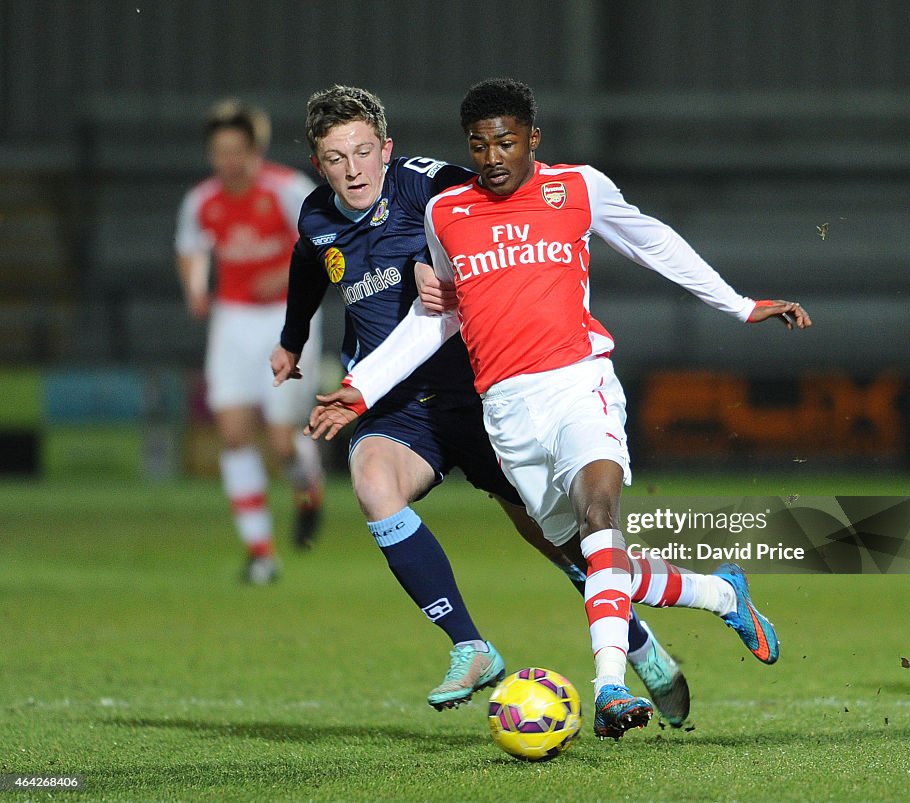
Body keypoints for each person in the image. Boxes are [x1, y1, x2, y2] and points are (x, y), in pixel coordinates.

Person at [308, 78, 813, 739]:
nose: (492, 157)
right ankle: (723, 593)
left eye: (506, 142)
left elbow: (653, 241)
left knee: (600, 513)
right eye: (480, 145)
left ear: (532, 140)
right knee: (596, 559)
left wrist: (741, 305)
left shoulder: (576, 188)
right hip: (508, 413)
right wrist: (364, 386)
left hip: (580, 384)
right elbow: (443, 317)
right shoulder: (447, 215)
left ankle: (609, 687)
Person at [270, 85, 690, 723]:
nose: (351, 169)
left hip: (478, 388)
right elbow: (307, 265)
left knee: (561, 540)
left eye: (361, 152)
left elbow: (500, 197)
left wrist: (434, 266)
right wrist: (292, 339)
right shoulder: (316, 216)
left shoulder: (427, 184)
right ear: (318, 162)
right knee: (373, 485)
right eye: (335, 158)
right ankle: (470, 645)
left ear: (386, 150)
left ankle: (642, 644)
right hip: (393, 402)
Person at [175, 99, 325, 584]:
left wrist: (284, 274)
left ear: (255, 150)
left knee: (281, 442)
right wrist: (197, 289)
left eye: (237, 150)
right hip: (233, 320)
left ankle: (309, 487)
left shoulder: (287, 190)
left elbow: (324, 245)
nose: (228, 161)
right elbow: (191, 248)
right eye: (219, 152)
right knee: (234, 434)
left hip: (287, 318)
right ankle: (262, 554)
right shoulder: (202, 200)